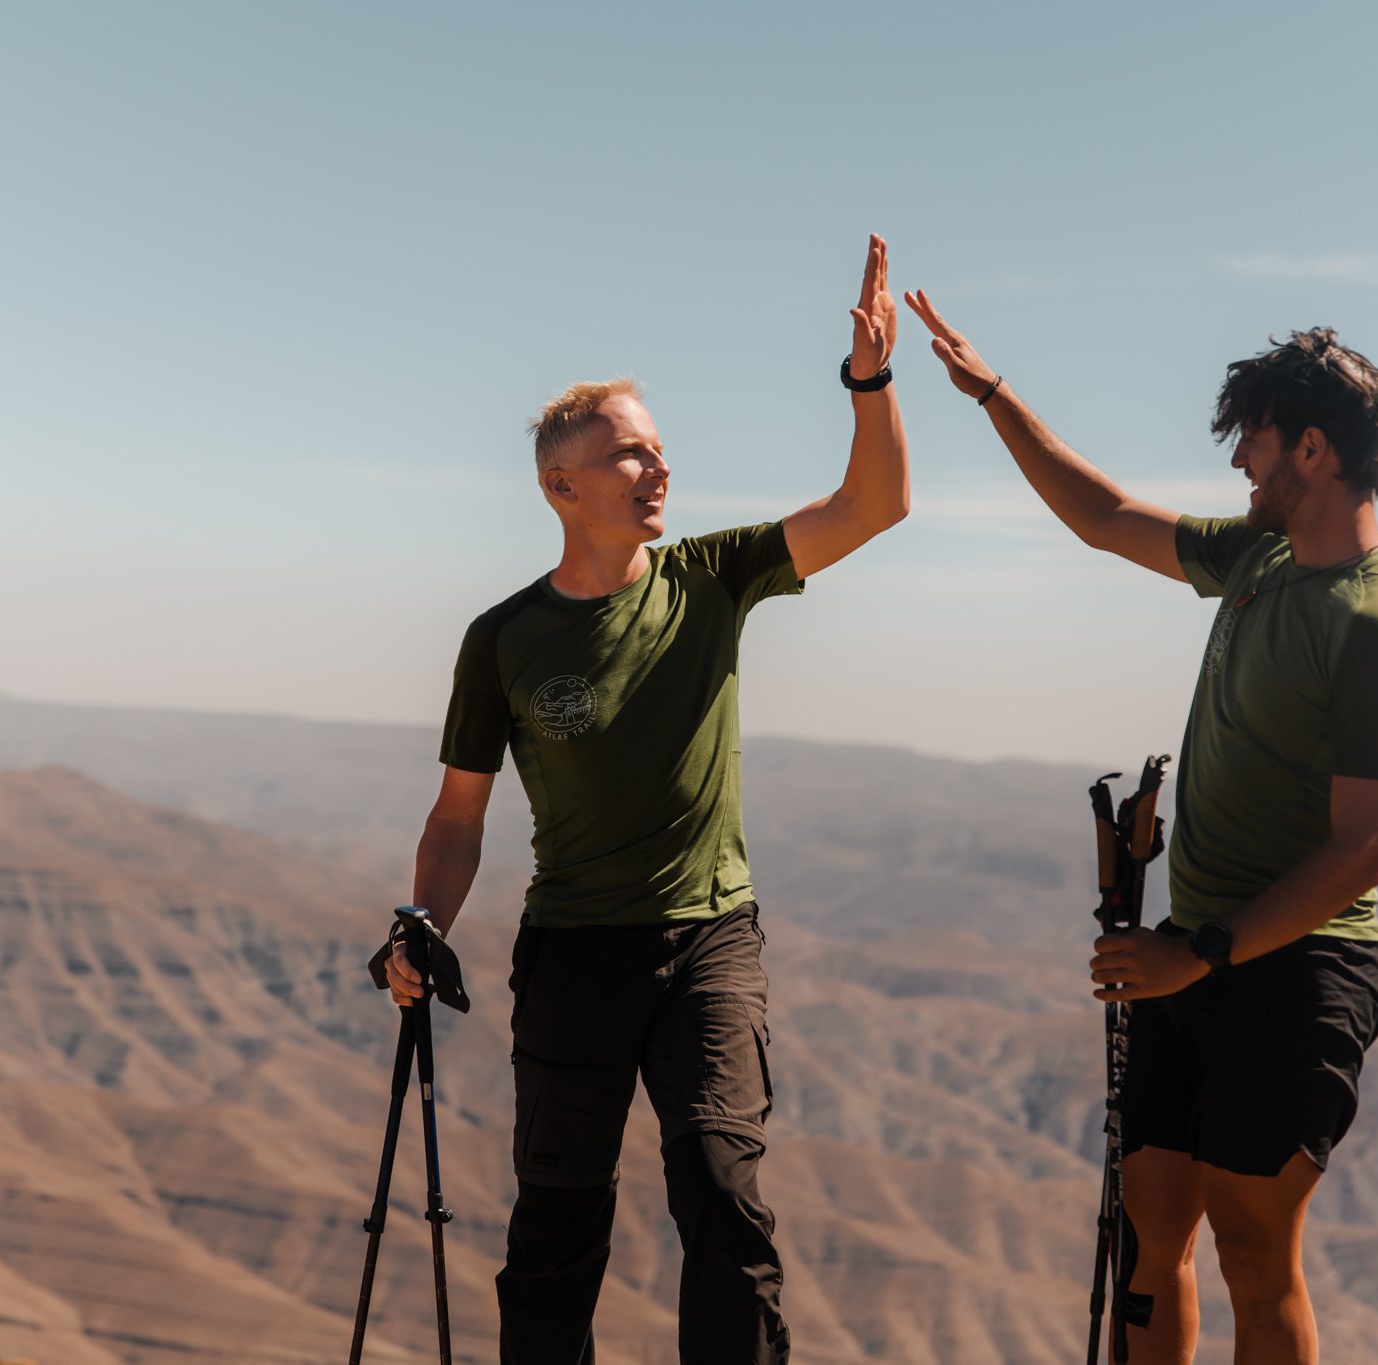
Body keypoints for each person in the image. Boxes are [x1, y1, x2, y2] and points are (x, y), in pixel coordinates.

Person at [386, 236, 908, 1365]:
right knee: (556, 1232)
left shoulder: (714, 577)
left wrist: (868, 381)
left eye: (660, 451)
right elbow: (457, 817)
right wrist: (422, 926)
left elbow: (875, 504)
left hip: (708, 942)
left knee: (723, 1195)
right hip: (573, 951)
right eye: (628, 455)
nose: (657, 470)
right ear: (559, 485)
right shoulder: (504, 641)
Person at [906, 292, 1378, 1365]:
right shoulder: (1258, 559)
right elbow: (1099, 515)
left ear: (1313, 448)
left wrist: (1197, 954)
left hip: (1291, 970)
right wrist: (992, 397)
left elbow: (1362, 851)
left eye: (1253, 438)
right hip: (1183, 955)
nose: (1239, 460)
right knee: (1153, 1222)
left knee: (1251, 1246)